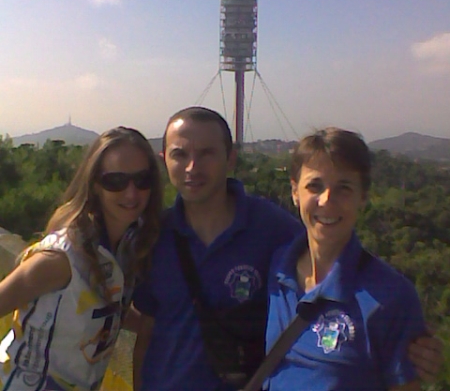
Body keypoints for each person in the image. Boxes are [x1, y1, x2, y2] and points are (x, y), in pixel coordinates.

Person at [133, 108, 443, 391]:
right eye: (179, 154)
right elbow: (145, 324)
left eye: (206, 153)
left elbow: (335, 253)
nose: (192, 166)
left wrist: (414, 338)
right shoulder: (153, 234)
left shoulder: (272, 231)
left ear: (231, 158)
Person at [0, 126, 162, 391]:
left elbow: (105, 311)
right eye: (116, 181)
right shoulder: (61, 259)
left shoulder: (125, 250)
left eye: (142, 180)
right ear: (95, 185)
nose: (131, 194)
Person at [264, 127, 426, 390]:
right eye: (314, 186)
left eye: (344, 188)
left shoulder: (390, 297)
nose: (327, 200)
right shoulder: (275, 270)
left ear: (363, 196)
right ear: (295, 192)